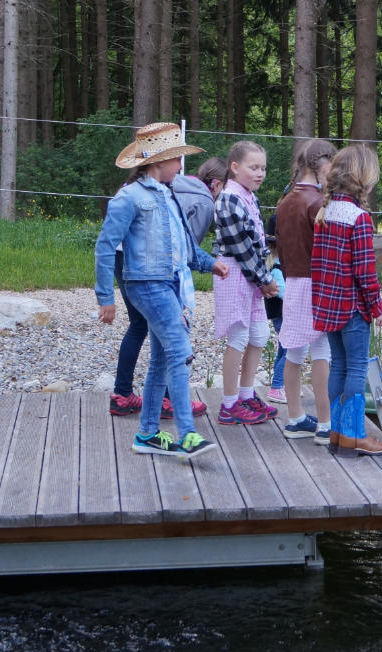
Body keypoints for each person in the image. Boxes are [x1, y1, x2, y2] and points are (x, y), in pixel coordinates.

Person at [95, 122, 227, 458]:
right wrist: (105, 297)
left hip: (168, 285)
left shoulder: (169, 194)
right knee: (180, 352)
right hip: (145, 285)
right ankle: (187, 435)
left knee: (161, 359)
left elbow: (184, 245)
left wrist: (211, 263)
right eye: (176, 158)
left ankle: (147, 434)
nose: (181, 165)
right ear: (157, 161)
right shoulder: (130, 198)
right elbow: (105, 246)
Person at [311, 144, 382, 456]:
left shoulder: (325, 211)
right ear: (364, 180)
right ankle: (355, 435)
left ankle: (337, 434)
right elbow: (364, 272)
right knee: (357, 367)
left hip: (328, 306)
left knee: (339, 366)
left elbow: (318, 264)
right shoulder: (358, 218)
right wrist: (378, 307)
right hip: (353, 309)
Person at [213, 140, 281, 425]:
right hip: (233, 272)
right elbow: (240, 247)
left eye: (263, 168)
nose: (260, 173)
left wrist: (263, 276)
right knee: (238, 335)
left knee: (259, 335)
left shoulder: (248, 196)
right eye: (254, 167)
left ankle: (246, 393)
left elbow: (257, 241)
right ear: (235, 167)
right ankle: (229, 404)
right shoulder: (229, 198)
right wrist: (264, 280)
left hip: (251, 273)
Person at [276, 139, 336, 445]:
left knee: (294, 350)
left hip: (293, 282)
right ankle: (325, 423)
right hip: (316, 281)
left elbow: (281, 250)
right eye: (332, 166)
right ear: (320, 164)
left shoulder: (285, 201)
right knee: (322, 350)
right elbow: (326, 251)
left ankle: (296, 418)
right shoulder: (317, 204)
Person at [263, 213, 289, 405]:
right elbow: (281, 291)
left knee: (283, 347)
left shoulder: (271, 262)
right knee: (291, 349)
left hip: (277, 312)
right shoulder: (278, 265)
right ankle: (277, 386)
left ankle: (282, 384)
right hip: (284, 312)